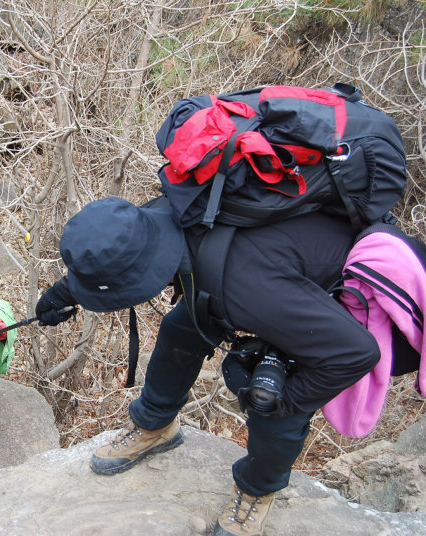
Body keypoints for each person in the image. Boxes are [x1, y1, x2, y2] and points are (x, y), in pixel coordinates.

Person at [34, 197, 380, 536]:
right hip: (252, 271)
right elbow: (120, 254)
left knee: (272, 399)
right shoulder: (165, 211)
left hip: (307, 295)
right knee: (180, 329)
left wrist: (289, 400)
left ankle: (258, 489)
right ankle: (155, 427)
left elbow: (357, 353)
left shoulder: (250, 292)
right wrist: (64, 294)